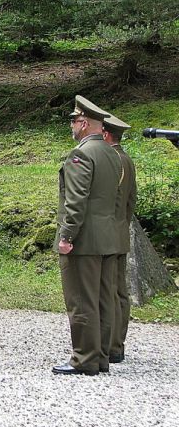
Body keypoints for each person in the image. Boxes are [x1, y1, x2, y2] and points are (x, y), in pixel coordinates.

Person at [52, 95, 123, 376]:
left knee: (81, 299)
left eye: (74, 120)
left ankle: (84, 358)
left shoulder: (80, 154)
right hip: (107, 238)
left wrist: (67, 235)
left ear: (84, 122)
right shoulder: (113, 154)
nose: (71, 125)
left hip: (84, 240)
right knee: (104, 300)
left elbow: (76, 200)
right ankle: (101, 356)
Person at [103, 114, 137, 364]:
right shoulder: (127, 159)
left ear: (105, 134)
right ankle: (117, 343)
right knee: (119, 291)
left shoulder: (112, 160)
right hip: (121, 230)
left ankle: (112, 344)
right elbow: (130, 202)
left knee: (110, 291)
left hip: (108, 234)